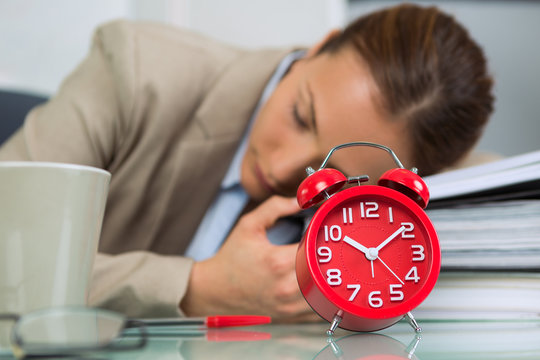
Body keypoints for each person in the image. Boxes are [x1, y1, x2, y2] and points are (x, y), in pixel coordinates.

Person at [0, 3, 493, 321]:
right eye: (301, 116)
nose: (285, 171)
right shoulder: (135, 68)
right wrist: (196, 288)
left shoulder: (397, 188)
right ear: (318, 46)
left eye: (337, 177)